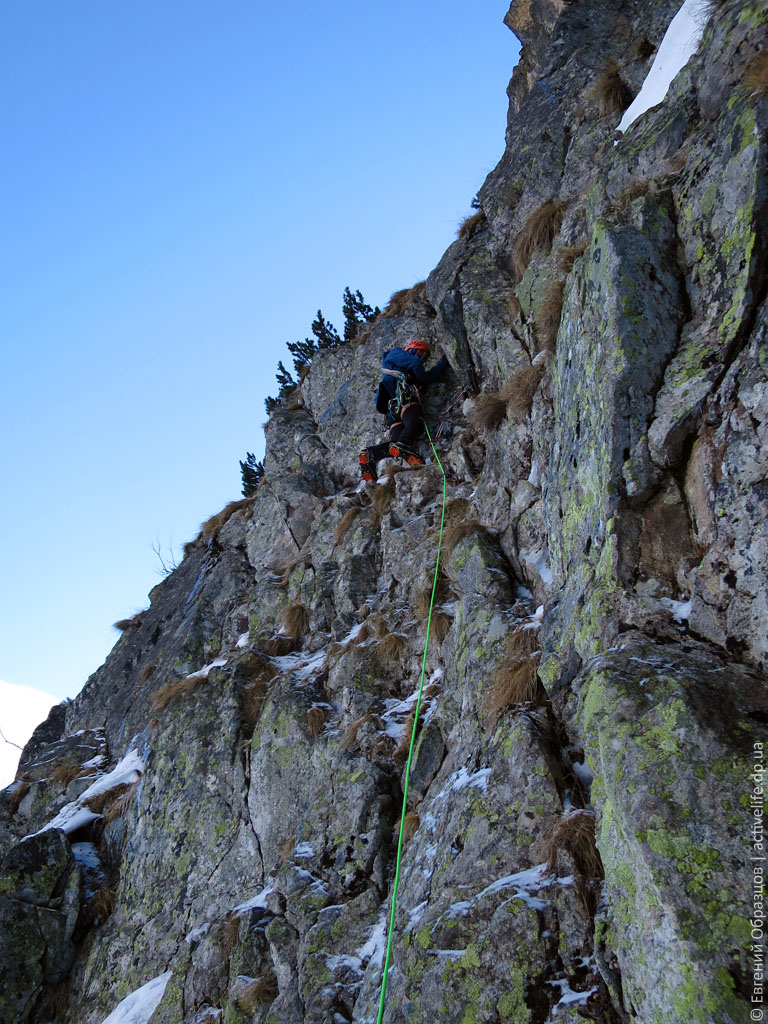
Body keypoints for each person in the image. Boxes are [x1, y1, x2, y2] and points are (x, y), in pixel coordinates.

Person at [359, 339, 448, 482]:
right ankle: (404, 446)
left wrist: (444, 361)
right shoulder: (395, 353)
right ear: (410, 350)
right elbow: (418, 367)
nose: (421, 358)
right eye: (420, 353)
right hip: (403, 398)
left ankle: (371, 454)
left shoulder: (405, 370)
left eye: (424, 357)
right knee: (416, 423)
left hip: (391, 410)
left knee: (396, 442)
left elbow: (429, 377)